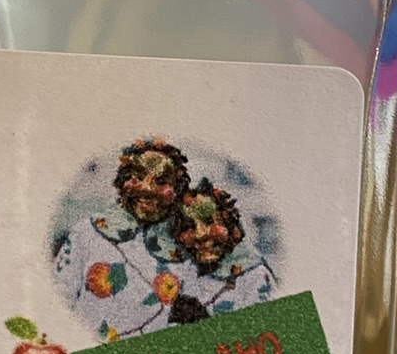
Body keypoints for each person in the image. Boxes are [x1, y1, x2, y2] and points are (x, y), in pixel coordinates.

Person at [52, 138, 278, 342]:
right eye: (137, 177)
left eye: (161, 181)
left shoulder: (190, 246)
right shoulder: (87, 233)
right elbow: (56, 301)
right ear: (122, 181)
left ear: (177, 189)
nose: (147, 188)